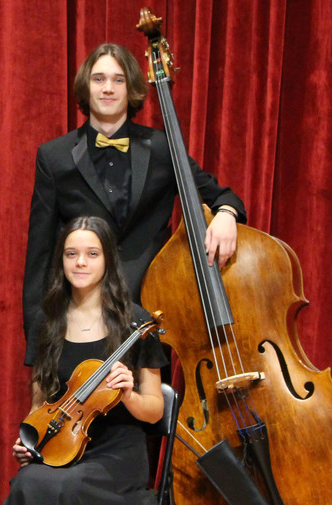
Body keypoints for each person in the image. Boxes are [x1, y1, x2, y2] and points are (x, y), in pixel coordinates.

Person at [0, 216, 168, 505]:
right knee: (29, 486)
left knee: (69, 488)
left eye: (92, 253)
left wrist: (129, 393)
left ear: (108, 260)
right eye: (72, 254)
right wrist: (32, 439)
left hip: (119, 450)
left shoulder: (135, 324)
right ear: (61, 261)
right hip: (63, 443)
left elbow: (154, 411)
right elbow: (41, 401)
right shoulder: (48, 319)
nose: (81, 262)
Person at [22, 42, 246, 340]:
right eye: (98, 79)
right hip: (80, 313)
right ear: (85, 87)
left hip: (153, 307)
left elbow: (222, 195)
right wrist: (36, 338)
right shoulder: (54, 156)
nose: (108, 88)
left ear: (132, 89)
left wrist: (226, 214)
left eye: (119, 80)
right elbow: (40, 252)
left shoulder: (162, 148)